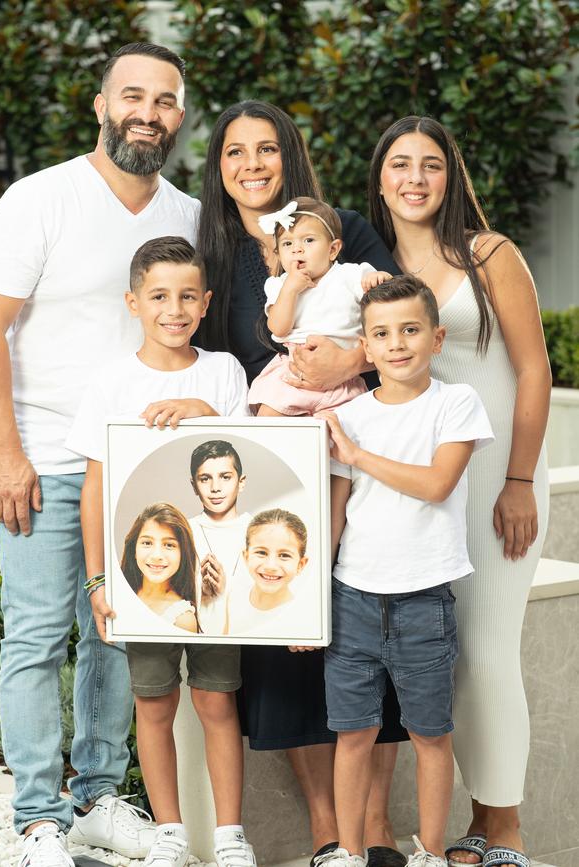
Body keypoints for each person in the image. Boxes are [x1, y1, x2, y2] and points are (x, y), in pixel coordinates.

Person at [0, 41, 202, 867]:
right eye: (132, 95)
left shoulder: (188, 214)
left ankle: (99, 796)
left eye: (164, 99)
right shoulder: (40, 200)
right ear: (101, 105)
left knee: (116, 636)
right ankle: (36, 815)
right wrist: (4, 452)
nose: (148, 111)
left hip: (142, 464)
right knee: (34, 637)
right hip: (46, 455)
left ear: (178, 116)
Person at [195, 98, 407, 867]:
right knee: (286, 646)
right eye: (233, 153)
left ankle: (375, 826)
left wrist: (354, 361)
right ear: (218, 169)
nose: (251, 164)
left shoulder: (345, 227)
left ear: (291, 156)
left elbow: (401, 318)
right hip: (274, 466)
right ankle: (327, 832)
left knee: (362, 632)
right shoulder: (217, 255)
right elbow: (210, 358)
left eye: (266, 149)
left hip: (356, 446)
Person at [367, 116, 551, 867]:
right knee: (438, 656)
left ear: (451, 176)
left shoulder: (489, 254)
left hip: (495, 479)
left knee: (484, 650)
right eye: (401, 164)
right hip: (413, 487)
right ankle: (462, 823)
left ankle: (500, 824)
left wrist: (516, 481)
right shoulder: (365, 269)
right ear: (379, 177)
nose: (415, 177)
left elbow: (534, 370)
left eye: (431, 164)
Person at [66, 236, 255, 867]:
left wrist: (204, 412)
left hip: (214, 578)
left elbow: (246, 457)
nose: (173, 309)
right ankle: (170, 831)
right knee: (153, 701)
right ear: (133, 303)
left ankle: (229, 835)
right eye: (158, 296)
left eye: (186, 297)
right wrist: (98, 582)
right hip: (141, 579)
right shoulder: (111, 383)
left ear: (204, 303)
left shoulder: (225, 371)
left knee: (215, 699)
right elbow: (95, 491)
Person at [319, 275, 494, 867]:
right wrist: (313, 596)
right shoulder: (349, 415)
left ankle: (430, 851)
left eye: (411, 330)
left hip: (424, 600)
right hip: (352, 598)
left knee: (429, 734)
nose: (397, 344)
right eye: (382, 334)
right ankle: (346, 851)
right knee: (352, 735)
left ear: (437, 338)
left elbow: (437, 484)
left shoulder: (456, 404)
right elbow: (337, 510)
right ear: (364, 347)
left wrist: (359, 455)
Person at [248, 197, 390, 416]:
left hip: (344, 379)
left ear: (333, 250)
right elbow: (278, 328)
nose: (297, 249)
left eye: (308, 240)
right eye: (287, 243)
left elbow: (388, 298)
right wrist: (290, 290)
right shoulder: (279, 286)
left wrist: (378, 278)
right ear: (278, 255)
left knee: (346, 432)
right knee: (269, 418)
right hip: (294, 373)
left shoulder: (350, 275)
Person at [188, 440, 252, 634]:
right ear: (194, 485)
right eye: (205, 478)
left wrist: (225, 588)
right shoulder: (183, 530)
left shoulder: (258, 531)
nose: (215, 487)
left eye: (225, 477)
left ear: (241, 482)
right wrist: (202, 592)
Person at [121, 504, 200, 632]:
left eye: (169, 545)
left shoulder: (182, 618)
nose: (157, 555)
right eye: (147, 543)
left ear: (183, 554)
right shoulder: (119, 594)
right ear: (134, 549)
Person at [229, 509, 309, 636]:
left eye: (284, 555)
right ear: (246, 556)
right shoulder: (231, 599)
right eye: (261, 552)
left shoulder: (303, 618)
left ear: (300, 564)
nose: (270, 566)